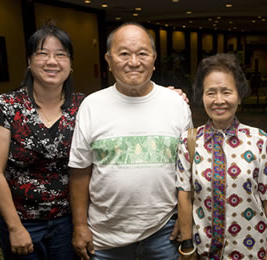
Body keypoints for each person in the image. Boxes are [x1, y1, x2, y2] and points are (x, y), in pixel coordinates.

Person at [68, 22, 193, 260]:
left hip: (164, 232)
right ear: (108, 59)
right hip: (105, 237)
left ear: (154, 59)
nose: (134, 62)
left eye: (143, 54)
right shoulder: (92, 106)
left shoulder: (176, 104)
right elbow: (79, 172)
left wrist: (185, 220)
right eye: (124, 53)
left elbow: (188, 169)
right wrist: (80, 226)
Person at [176, 53, 267, 260]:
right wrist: (187, 242)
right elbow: (185, 195)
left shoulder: (259, 139)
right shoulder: (188, 142)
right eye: (211, 93)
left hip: (252, 249)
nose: (219, 100)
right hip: (204, 250)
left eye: (226, 92)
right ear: (202, 96)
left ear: (239, 95)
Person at [0, 25, 84, 259]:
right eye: (42, 53)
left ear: (70, 63)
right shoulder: (7, 105)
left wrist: (168, 95)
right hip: (22, 222)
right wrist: (15, 227)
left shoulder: (85, 107)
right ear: (29, 61)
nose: (51, 61)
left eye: (60, 54)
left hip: (69, 223)